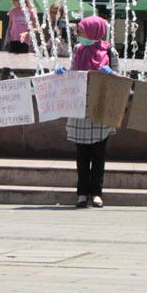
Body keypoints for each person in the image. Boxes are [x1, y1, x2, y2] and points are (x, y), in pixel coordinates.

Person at [65, 15, 118, 209]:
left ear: (93, 31)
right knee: (82, 154)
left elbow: (120, 80)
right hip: (80, 108)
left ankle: (96, 193)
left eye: (82, 31)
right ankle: (81, 193)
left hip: (100, 106)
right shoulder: (78, 50)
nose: (79, 35)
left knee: (98, 154)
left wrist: (111, 74)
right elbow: (72, 73)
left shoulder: (110, 51)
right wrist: (63, 74)